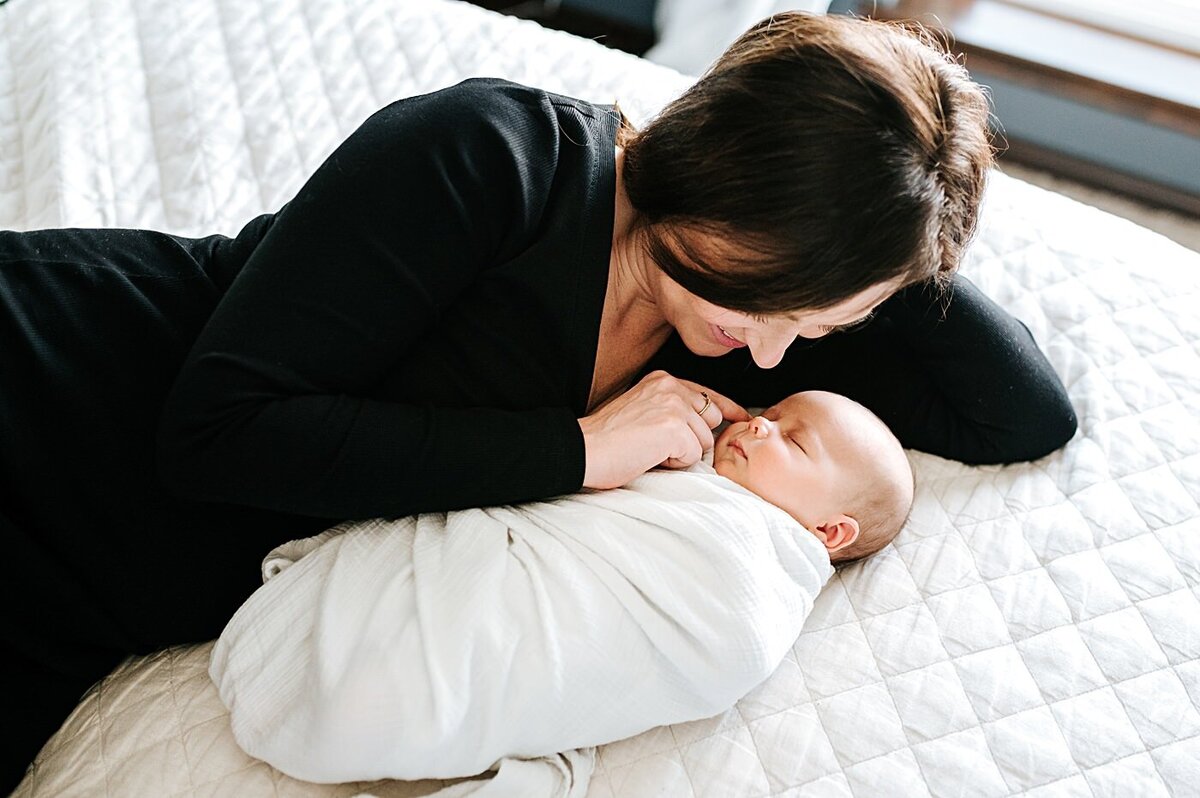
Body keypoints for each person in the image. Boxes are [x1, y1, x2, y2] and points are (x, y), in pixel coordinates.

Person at [0, 11, 1076, 789]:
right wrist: (574, 450)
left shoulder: (755, 344)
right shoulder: (491, 155)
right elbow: (220, 437)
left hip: (96, 601)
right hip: (53, 385)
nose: (777, 351)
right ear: (723, 176)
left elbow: (1022, 414)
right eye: (775, 295)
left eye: (822, 326)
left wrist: (900, 207)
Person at [209, 389, 910, 784]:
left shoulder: (746, 585)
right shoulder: (694, 479)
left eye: (793, 440)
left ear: (829, 534)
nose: (761, 423)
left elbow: (621, 654)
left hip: (440, 658)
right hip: (461, 615)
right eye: (775, 411)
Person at [713, 390, 914, 563]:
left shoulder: (760, 564)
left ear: (830, 530)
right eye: (769, 415)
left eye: (794, 440)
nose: (758, 422)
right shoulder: (696, 444)